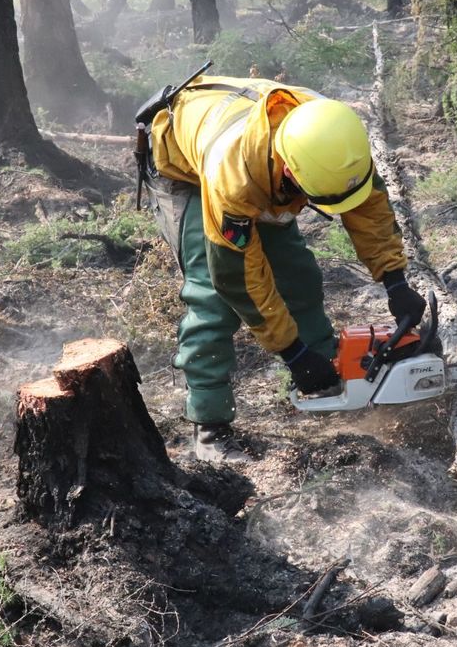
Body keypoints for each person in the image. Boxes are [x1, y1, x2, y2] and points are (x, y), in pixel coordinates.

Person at [142, 75, 426, 462]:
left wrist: (394, 280)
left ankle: (327, 372)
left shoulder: (331, 136)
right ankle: (210, 424)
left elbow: (368, 207)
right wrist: (291, 352)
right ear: (293, 174)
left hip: (263, 170)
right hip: (185, 174)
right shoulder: (233, 177)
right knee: (212, 297)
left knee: (297, 275)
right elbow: (237, 279)